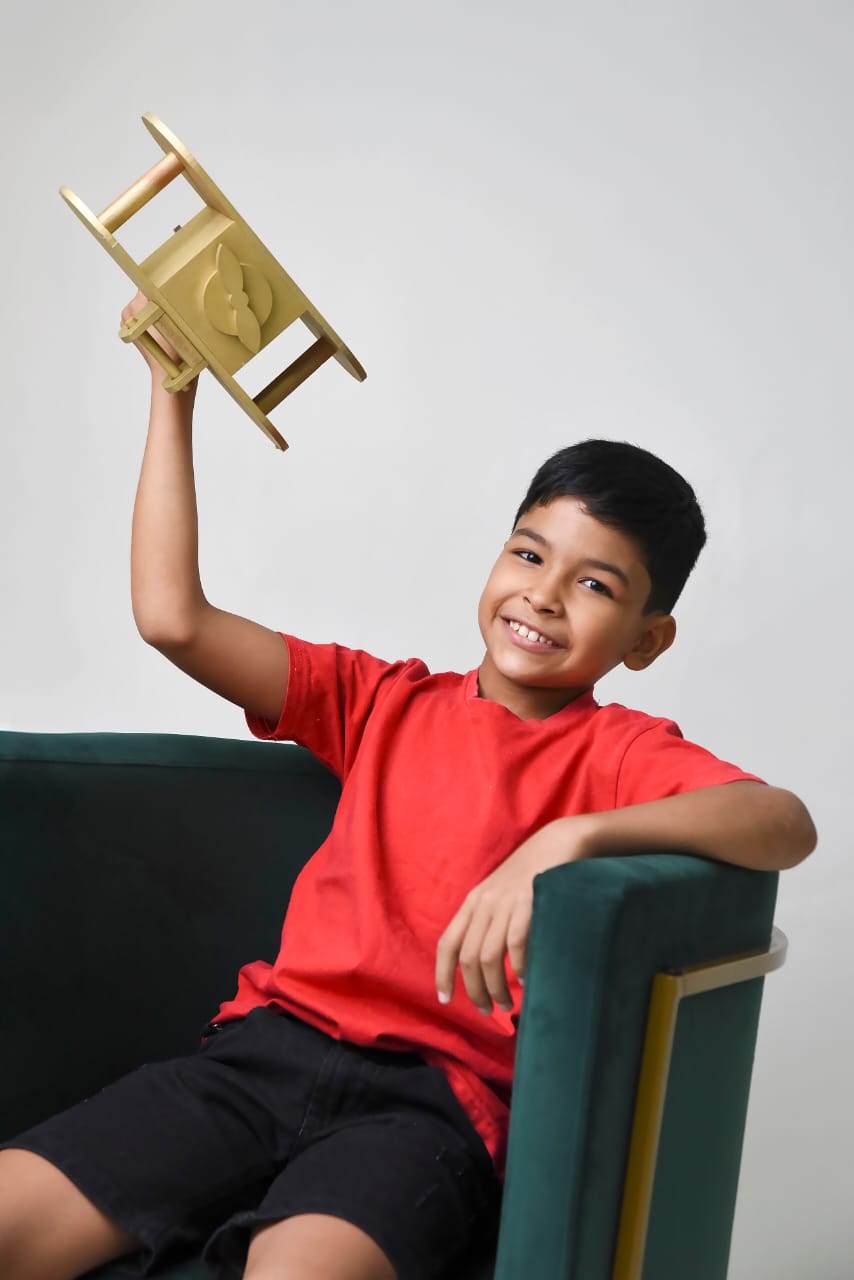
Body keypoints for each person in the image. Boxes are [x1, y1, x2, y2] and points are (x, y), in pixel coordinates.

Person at [0, 294, 816, 1280]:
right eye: (528, 553)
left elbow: (784, 822)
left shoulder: (616, 752)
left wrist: (567, 839)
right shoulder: (381, 699)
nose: (543, 594)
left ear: (646, 640)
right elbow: (173, 617)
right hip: (264, 1055)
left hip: (430, 1107)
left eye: (595, 584)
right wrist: (173, 393)